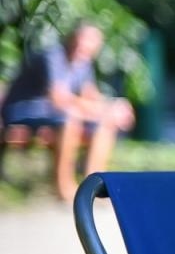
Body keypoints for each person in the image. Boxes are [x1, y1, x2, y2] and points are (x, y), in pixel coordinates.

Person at [0, 23, 135, 200]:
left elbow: (91, 96)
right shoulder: (52, 57)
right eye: (81, 41)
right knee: (70, 118)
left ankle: (93, 185)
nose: (84, 47)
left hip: (54, 115)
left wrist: (114, 107)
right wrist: (95, 109)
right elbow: (58, 99)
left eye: (90, 45)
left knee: (103, 122)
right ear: (72, 39)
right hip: (22, 111)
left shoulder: (83, 63)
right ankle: (64, 187)